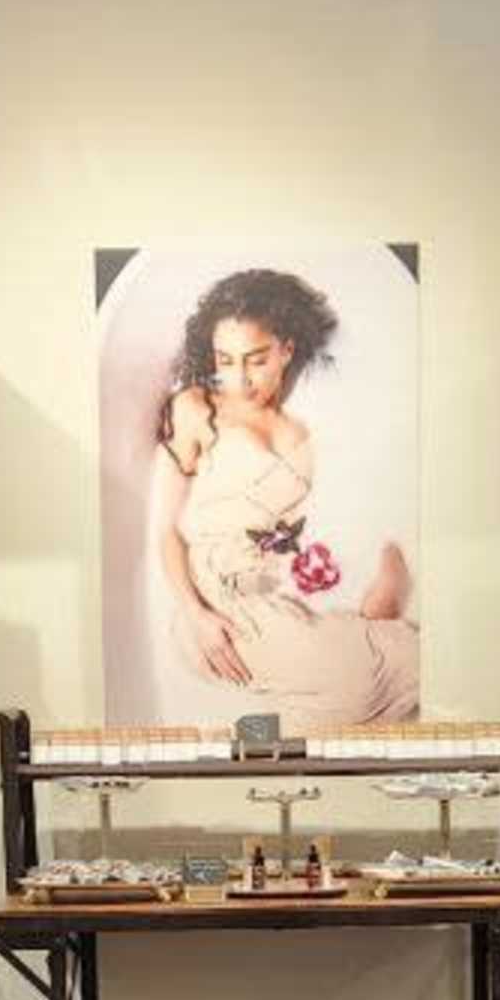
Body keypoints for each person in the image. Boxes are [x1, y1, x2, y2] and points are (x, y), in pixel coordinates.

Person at [144, 267, 418, 729]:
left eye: (256, 359)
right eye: (225, 360)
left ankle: (366, 640)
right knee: (361, 679)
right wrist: (197, 616)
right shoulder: (196, 408)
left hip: (275, 600)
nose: (240, 378)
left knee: (408, 658)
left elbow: (327, 516)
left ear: (286, 350)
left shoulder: (302, 426)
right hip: (217, 609)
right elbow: (165, 530)